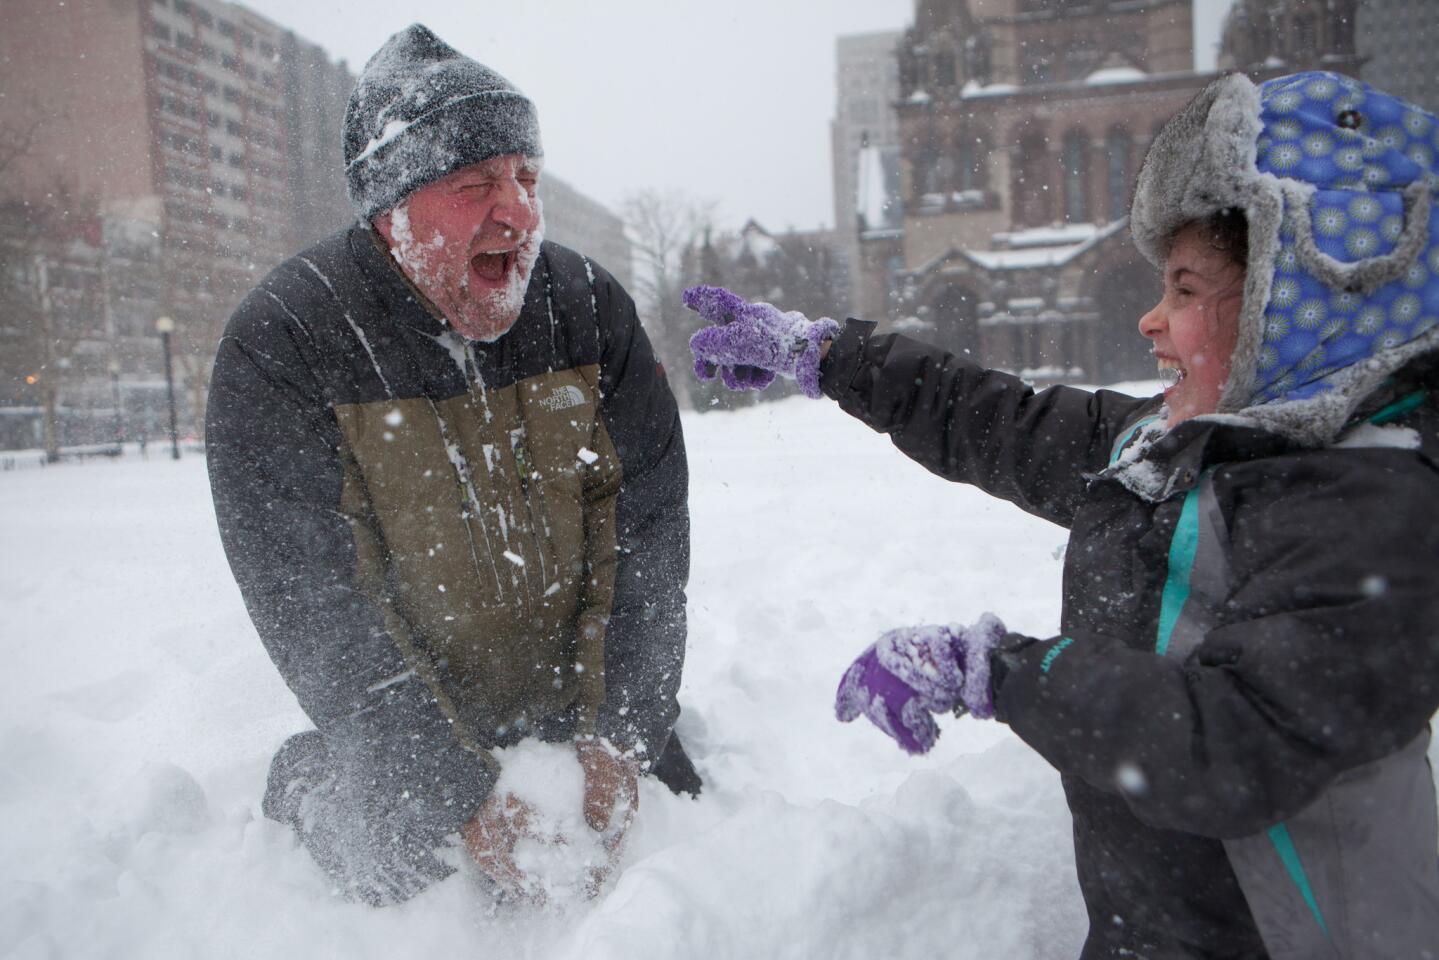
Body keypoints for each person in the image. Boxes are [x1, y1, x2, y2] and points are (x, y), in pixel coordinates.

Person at [685, 71, 1439, 959]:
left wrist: (997, 671)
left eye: (1188, 289)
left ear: (1303, 299)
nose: (1150, 319)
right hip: (1151, 933)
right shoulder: (1192, 449)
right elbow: (1004, 422)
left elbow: (1232, 745)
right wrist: (825, 356)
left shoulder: (1373, 505)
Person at [206, 23, 696, 907]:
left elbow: (648, 539)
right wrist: (445, 789)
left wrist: (619, 739)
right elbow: (306, 595)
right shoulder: (286, 341)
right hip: (411, 729)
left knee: (681, 823)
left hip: (575, 707)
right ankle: (312, 782)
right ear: (391, 212)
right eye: (477, 186)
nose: (518, 212)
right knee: (396, 873)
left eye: (526, 179)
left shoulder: (588, 308)